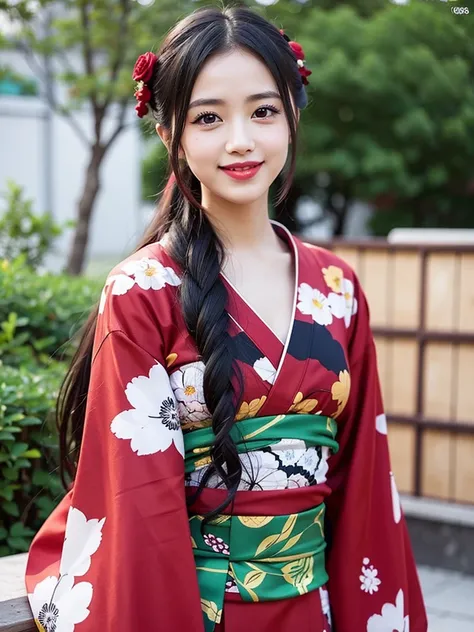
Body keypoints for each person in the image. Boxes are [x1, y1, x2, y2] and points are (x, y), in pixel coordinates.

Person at [25, 5, 427, 632]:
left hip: (313, 608)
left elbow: (365, 483)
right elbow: (138, 507)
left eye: (263, 111)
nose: (240, 138)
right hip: (199, 609)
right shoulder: (143, 290)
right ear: (170, 134)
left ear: (292, 117)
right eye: (209, 117)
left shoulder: (336, 287)